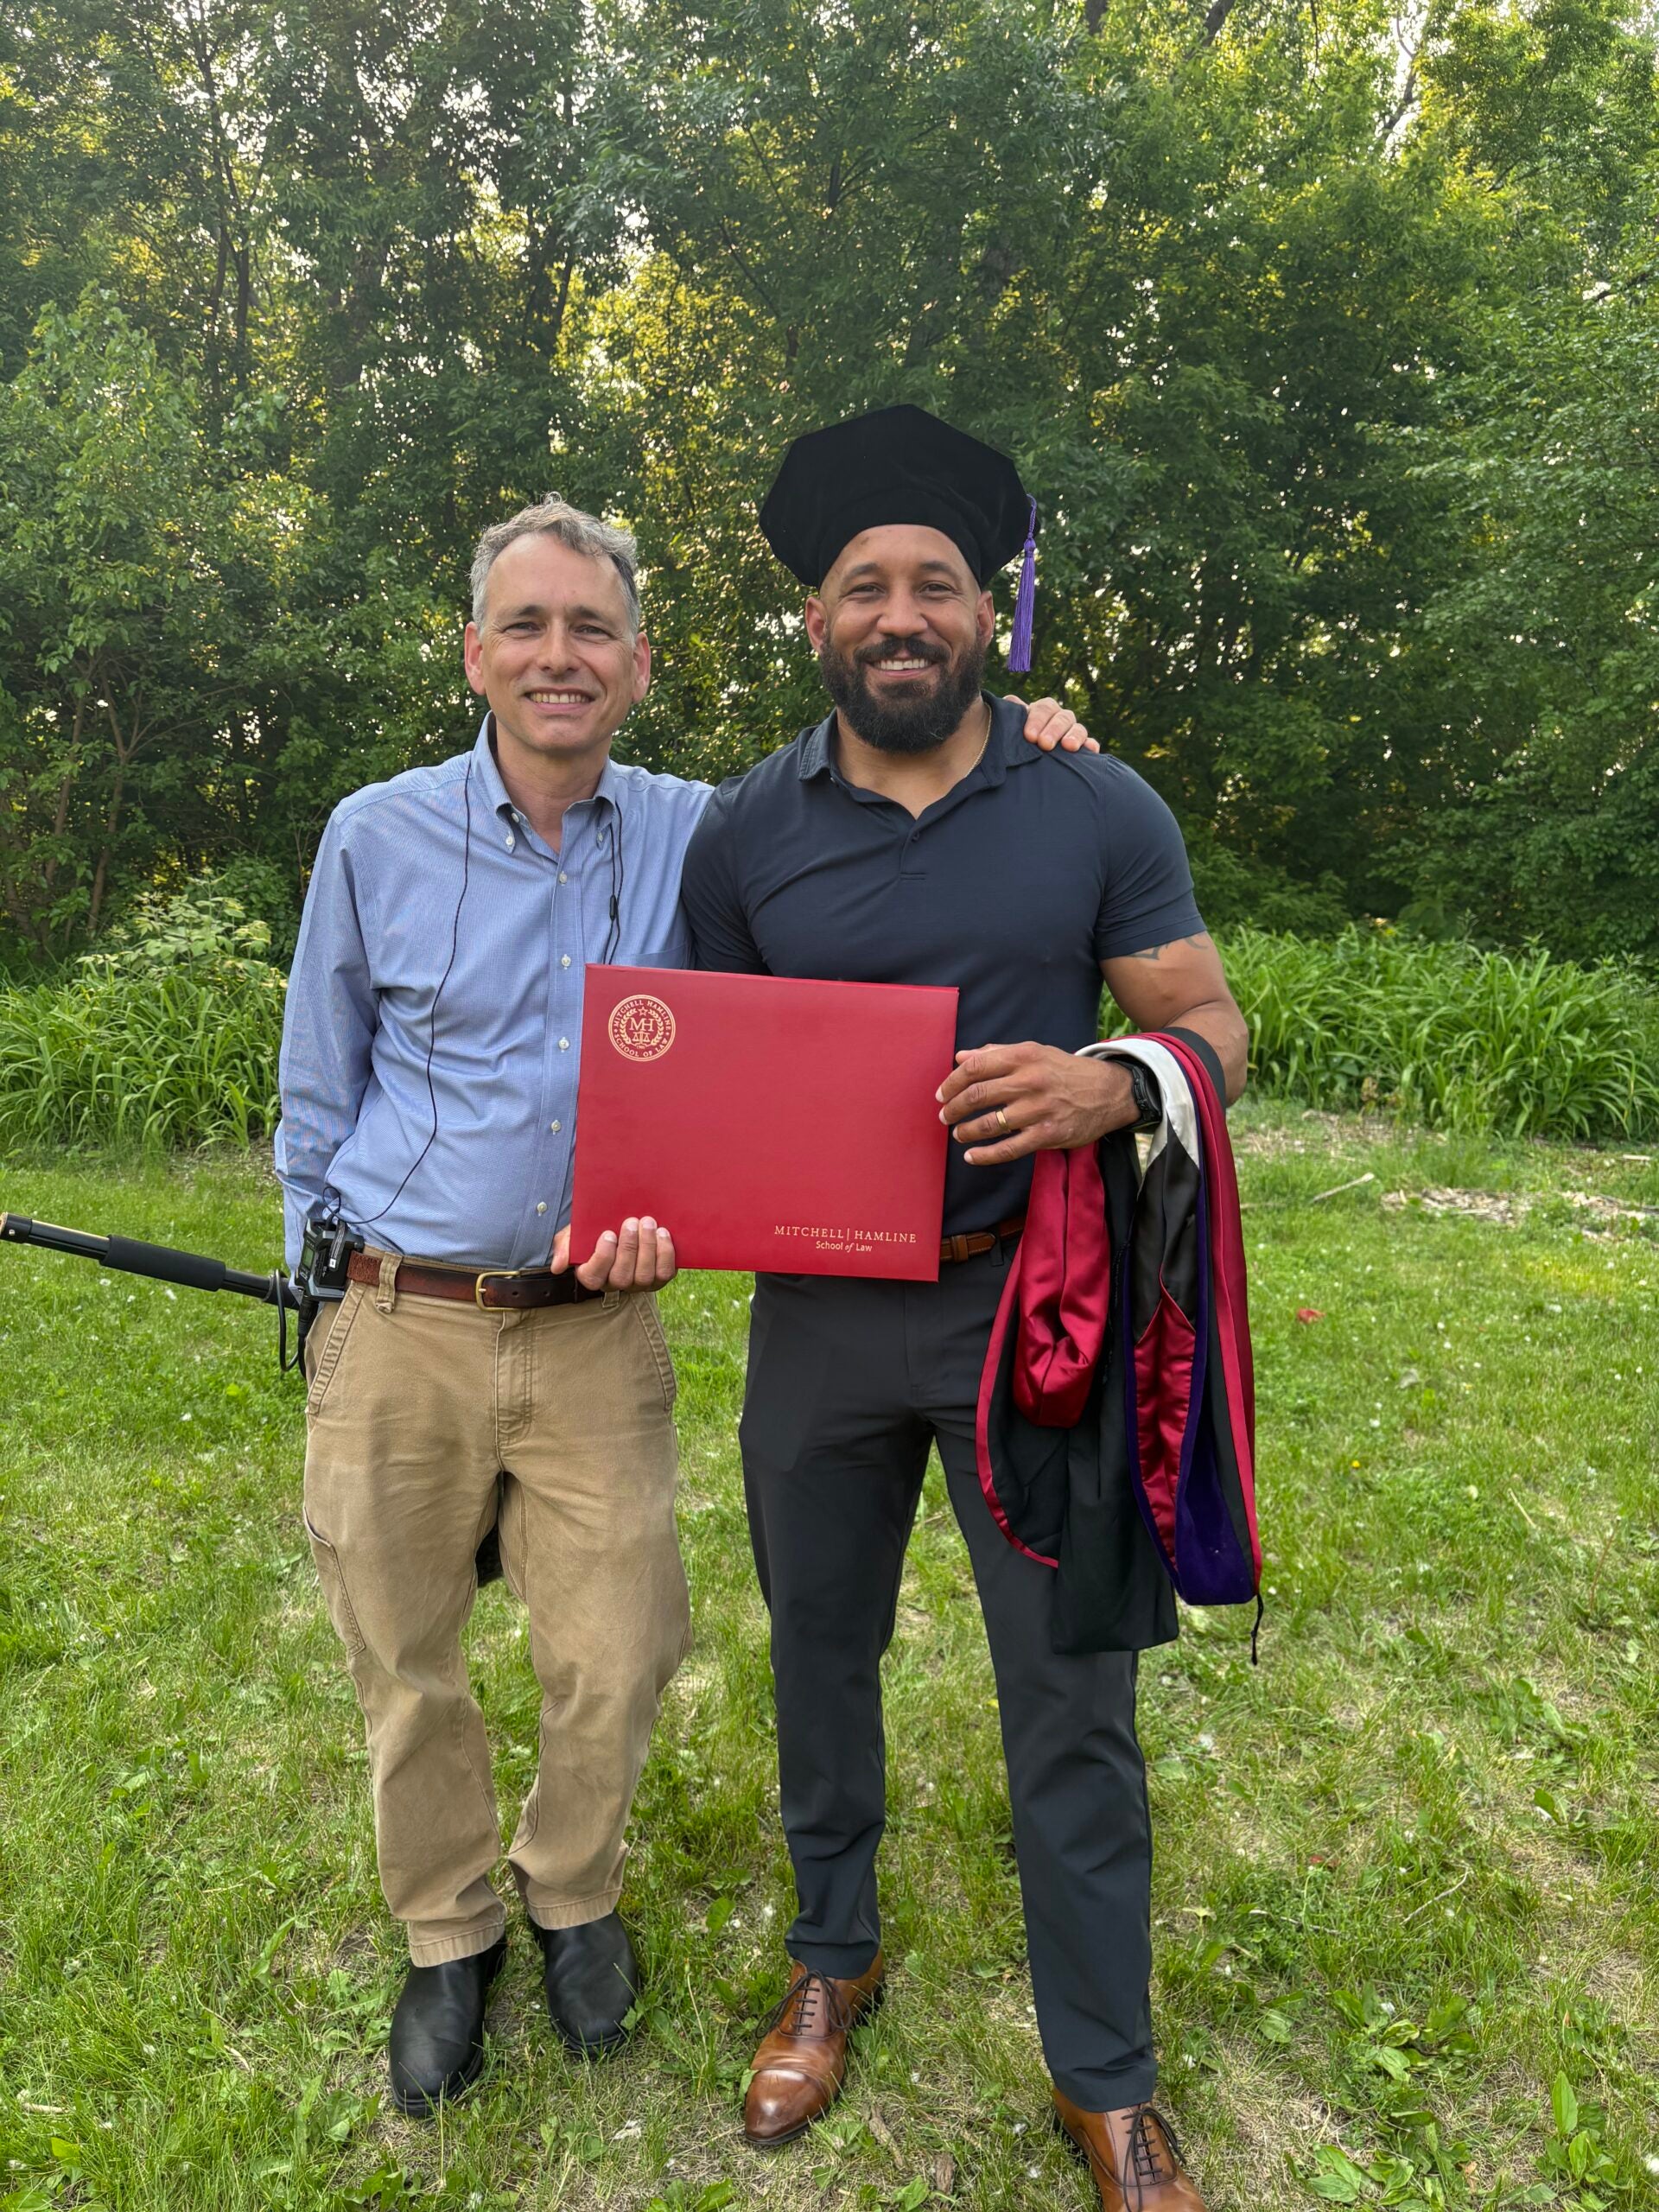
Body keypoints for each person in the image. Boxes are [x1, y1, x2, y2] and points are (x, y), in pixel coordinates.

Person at [275, 493, 1095, 2114]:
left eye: (591, 630)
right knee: (407, 1651)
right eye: (527, 626)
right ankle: (449, 1935)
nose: (558, 656)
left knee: (623, 1649)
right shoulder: (373, 834)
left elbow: (878, 807)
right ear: (475, 656)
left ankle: (571, 1892)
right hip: (403, 1313)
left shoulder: (704, 831)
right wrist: (324, 1290)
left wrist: (1037, 736)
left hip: (595, 1327)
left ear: (638, 665)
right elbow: (319, 1088)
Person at [678, 406, 1250, 2211]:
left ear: (988, 613)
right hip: (822, 1323)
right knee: (820, 1653)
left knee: (1070, 1694)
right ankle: (830, 1956)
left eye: (936, 580)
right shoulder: (748, 825)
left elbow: (1218, 1026)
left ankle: (1109, 2071)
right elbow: (708, 1071)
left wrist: (1113, 1077)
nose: (901, 610)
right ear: (817, 623)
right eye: (867, 585)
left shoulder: (1094, 798)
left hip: (1041, 1318)